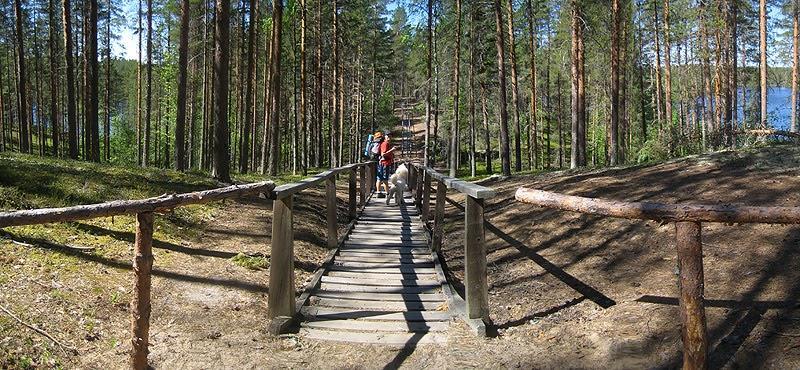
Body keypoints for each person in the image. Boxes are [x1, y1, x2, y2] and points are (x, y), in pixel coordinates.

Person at [376, 132, 397, 198]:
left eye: (390, 136)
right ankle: (388, 194)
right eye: (388, 136)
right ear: (385, 137)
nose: (389, 138)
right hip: (385, 163)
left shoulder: (384, 143)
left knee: (380, 178)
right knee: (385, 179)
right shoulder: (385, 144)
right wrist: (392, 150)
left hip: (382, 163)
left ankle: (378, 193)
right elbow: (383, 154)